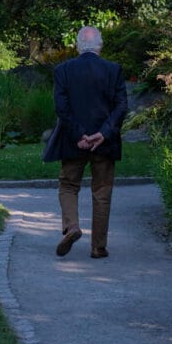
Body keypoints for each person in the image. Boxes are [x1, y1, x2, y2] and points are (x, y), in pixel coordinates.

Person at [44, 25, 128, 259]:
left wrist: (79, 135)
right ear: (100, 45)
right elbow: (121, 105)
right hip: (105, 143)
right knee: (102, 191)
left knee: (68, 186)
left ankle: (72, 226)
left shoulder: (63, 70)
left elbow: (62, 108)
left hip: (73, 142)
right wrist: (103, 133)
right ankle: (98, 247)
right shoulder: (114, 70)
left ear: (78, 46)